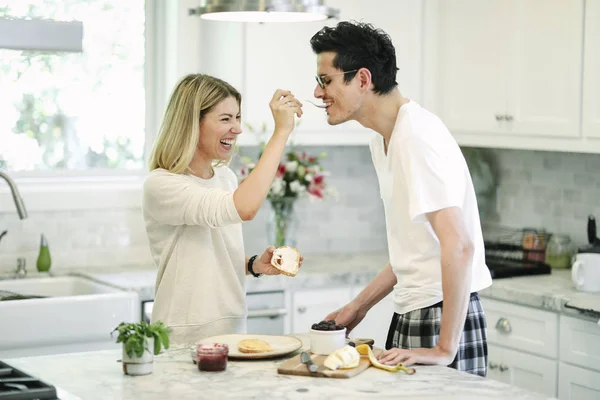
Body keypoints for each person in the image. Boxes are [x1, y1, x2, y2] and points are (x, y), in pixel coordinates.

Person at [310, 21, 492, 377]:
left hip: (440, 315)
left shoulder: (416, 137)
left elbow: (460, 246)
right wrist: (357, 307)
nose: (318, 93)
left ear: (362, 79)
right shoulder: (383, 138)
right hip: (415, 310)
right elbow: (416, 250)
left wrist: (444, 348)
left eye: (325, 80)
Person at [143, 74, 304, 346]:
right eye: (226, 119)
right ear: (193, 123)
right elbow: (245, 208)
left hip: (233, 326)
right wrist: (281, 133)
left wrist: (253, 264)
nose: (237, 128)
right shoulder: (162, 185)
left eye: (238, 118)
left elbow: (208, 255)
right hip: (183, 335)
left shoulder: (225, 178)